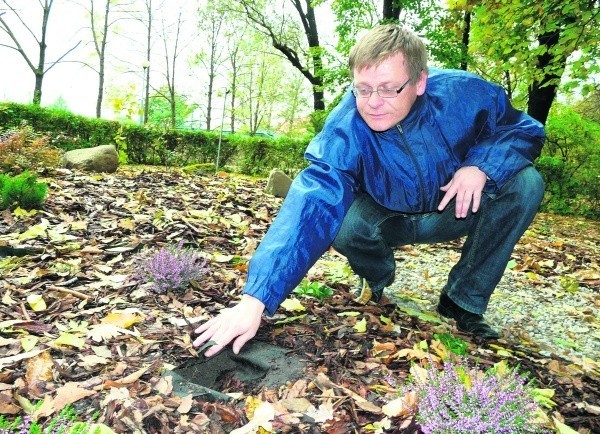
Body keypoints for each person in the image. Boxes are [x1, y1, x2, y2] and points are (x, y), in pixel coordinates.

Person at [193, 24, 545, 357]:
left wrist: (482, 165)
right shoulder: (347, 124)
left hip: (452, 206)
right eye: (363, 89)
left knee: (526, 183)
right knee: (343, 222)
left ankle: (463, 300)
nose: (373, 102)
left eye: (389, 88)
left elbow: (523, 129)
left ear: (420, 81)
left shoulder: (466, 93)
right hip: (384, 214)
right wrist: (255, 300)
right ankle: (376, 278)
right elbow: (314, 199)